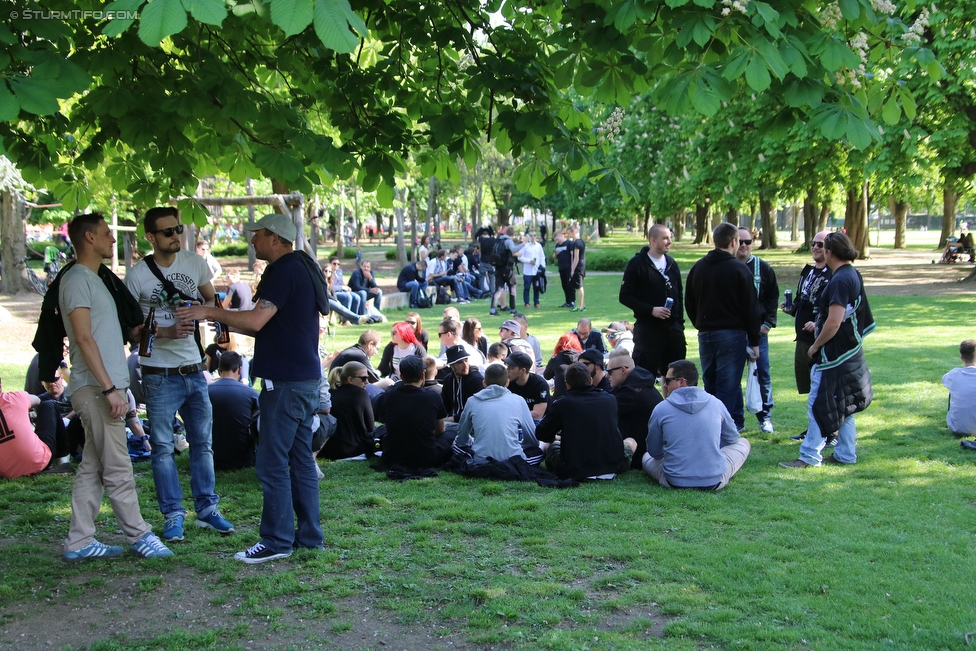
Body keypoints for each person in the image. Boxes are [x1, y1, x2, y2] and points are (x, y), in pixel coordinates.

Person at [177, 213, 329, 563]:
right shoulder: (301, 266)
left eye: (257, 234)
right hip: (303, 379)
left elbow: (257, 319)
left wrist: (209, 312)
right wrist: (219, 315)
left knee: (272, 463)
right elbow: (265, 326)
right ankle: (309, 538)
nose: (252, 240)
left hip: (286, 384)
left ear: (275, 238)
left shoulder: (286, 270)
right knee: (300, 459)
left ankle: (276, 542)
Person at [59, 212, 172, 561]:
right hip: (95, 389)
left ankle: (79, 541)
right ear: (89, 238)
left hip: (104, 387)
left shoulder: (96, 280)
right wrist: (109, 389)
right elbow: (82, 337)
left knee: (92, 467)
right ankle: (140, 535)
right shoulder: (77, 279)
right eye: (107, 233)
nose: (113, 239)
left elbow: (102, 336)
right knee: (119, 466)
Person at [125, 206, 234, 543]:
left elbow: (211, 300)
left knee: (203, 444)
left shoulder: (194, 263)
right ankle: (173, 515)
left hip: (194, 370)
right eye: (168, 232)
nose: (176, 236)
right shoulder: (138, 276)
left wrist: (212, 323)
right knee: (161, 448)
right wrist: (165, 332)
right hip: (158, 373)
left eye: (178, 229)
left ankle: (207, 510)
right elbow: (130, 331)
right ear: (151, 237)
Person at [780, 232, 875, 468]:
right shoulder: (849, 273)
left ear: (830, 252)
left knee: (817, 404)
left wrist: (815, 345)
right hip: (848, 351)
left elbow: (834, 321)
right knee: (845, 405)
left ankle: (809, 456)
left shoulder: (841, 279)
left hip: (835, 355)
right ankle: (845, 454)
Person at [685, 222, 762, 431]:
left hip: (706, 333)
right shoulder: (739, 269)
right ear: (733, 241)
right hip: (731, 334)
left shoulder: (698, 268)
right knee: (728, 385)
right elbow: (751, 308)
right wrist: (754, 341)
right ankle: (722, 431)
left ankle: (734, 421)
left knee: (711, 384)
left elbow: (689, 302)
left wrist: (701, 322)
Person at [643, 360, 751, 490]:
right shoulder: (716, 403)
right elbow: (732, 439)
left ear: (681, 382)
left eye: (668, 380)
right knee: (743, 442)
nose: (664, 385)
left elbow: (654, 452)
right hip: (714, 480)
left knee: (646, 456)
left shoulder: (661, 409)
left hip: (674, 480)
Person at [536, 363, 636, 480]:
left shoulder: (563, 403)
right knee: (631, 441)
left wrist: (556, 437)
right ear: (590, 380)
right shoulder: (610, 400)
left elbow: (542, 434)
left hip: (574, 469)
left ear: (567, 385)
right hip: (612, 466)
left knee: (552, 445)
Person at [619, 224, 686, 378]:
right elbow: (625, 296)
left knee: (674, 375)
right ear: (653, 240)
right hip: (648, 331)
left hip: (673, 331)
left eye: (670, 238)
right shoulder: (637, 264)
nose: (669, 241)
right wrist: (651, 310)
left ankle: (670, 402)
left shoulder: (671, 264)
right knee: (645, 375)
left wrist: (679, 325)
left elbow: (679, 296)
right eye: (665, 238)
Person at [783, 231, 832, 440]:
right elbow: (801, 300)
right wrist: (791, 308)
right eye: (813, 243)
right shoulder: (808, 272)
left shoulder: (834, 275)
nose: (815, 248)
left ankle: (831, 431)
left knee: (824, 386)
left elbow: (834, 308)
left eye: (820, 244)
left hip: (822, 339)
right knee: (810, 386)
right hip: (802, 338)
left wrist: (818, 323)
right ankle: (814, 428)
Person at [735, 227, 780, 434]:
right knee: (731, 375)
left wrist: (767, 324)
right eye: (739, 241)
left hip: (758, 332)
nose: (743, 245)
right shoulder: (727, 266)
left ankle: (765, 417)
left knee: (762, 373)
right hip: (733, 333)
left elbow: (772, 298)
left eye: (747, 241)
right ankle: (736, 420)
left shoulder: (763, 268)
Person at [454, 363, 542, 464]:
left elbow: (461, 439)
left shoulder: (472, 401)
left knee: (455, 444)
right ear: (507, 383)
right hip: (514, 460)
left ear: (484, 383)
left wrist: (471, 441)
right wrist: (518, 444)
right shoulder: (519, 400)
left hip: (481, 461)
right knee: (542, 447)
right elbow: (533, 440)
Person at [374, 356, 451, 468]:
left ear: (401, 376)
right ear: (422, 375)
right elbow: (440, 430)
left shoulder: (388, 395)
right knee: (452, 433)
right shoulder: (433, 396)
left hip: (392, 456)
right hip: (426, 458)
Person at [0, 377, 73, 478]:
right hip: (38, 461)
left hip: (6, 472)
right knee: (48, 404)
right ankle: (64, 462)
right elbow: (38, 400)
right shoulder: (14, 398)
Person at [607, 352, 663, 469]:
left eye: (610, 372)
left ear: (623, 370)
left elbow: (602, 412)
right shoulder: (640, 383)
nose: (607, 376)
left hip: (639, 453)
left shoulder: (630, 393)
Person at [207, 351, 259, 471]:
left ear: (219, 370)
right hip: (244, 459)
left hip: (210, 457)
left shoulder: (204, 392)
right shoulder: (251, 394)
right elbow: (258, 428)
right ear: (240, 370)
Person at [319, 362, 375, 460]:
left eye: (367, 377)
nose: (367, 382)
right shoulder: (361, 394)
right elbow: (370, 427)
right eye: (363, 378)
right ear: (350, 379)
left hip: (327, 448)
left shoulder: (330, 393)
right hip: (353, 449)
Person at [441, 345, 485, 423]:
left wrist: (452, 419)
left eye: (466, 360)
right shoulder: (448, 380)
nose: (465, 365)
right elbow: (444, 406)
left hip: (470, 424)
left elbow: (476, 409)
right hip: (450, 422)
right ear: (452, 365)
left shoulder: (476, 380)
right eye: (460, 362)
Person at [503, 351, 551, 420]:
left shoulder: (539, 384)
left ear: (523, 370)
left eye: (511, 368)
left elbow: (537, 414)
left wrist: (511, 415)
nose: (507, 370)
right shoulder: (508, 382)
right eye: (507, 366)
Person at [944, 340, 976, 439]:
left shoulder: (953, 374)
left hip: (957, 427)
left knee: (953, 390)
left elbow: (945, 381)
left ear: (962, 358)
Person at [490, 226, 524, 316]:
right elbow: (514, 250)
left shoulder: (498, 240)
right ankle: (512, 309)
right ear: (512, 234)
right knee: (512, 287)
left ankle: (492, 309)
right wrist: (523, 243)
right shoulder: (508, 241)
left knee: (498, 289)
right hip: (507, 268)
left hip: (498, 268)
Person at [543, 333, 583, 399]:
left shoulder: (555, 360)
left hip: (560, 398)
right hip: (580, 397)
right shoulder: (582, 359)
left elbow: (546, 376)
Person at [519, 232, 545, 309]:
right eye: (531, 236)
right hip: (528, 271)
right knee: (527, 287)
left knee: (536, 287)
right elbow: (520, 257)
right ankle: (526, 303)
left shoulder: (539, 246)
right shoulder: (525, 246)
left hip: (536, 270)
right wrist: (528, 261)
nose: (533, 237)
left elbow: (542, 257)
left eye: (534, 235)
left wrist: (543, 267)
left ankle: (536, 302)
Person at [568, 224, 587, 312]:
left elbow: (576, 257)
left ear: (573, 232)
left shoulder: (576, 243)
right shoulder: (581, 241)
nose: (568, 235)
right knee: (578, 286)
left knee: (579, 286)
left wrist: (572, 269)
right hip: (582, 265)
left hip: (578, 266)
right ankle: (581, 305)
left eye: (569, 233)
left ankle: (580, 306)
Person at [554, 230, 575, 307]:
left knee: (570, 285)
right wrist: (556, 254)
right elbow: (555, 257)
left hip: (568, 267)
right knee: (564, 285)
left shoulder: (569, 244)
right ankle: (567, 301)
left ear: (561, 236)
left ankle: (572, 301)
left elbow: (573, 255)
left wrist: (573, 268)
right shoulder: (557, 245)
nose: (557, 241)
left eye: (557, 239)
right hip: (561, 268)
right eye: (555, 240)